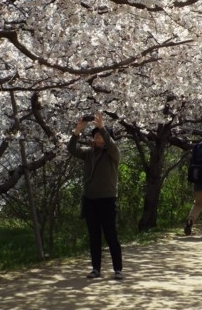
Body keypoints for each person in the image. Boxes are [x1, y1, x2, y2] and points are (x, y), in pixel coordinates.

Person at [68, 113, 123, 280]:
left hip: (107, 199)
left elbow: (112, 145)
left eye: (100, 134)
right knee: (94, 235)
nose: (97, 135)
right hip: (91, 199)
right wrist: (77, 131)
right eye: (95, 134)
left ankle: (117, 269)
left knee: (110, 234)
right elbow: (71, 149)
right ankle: (96, 268)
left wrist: (102, 127)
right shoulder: (89, 153)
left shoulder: (113, 153)